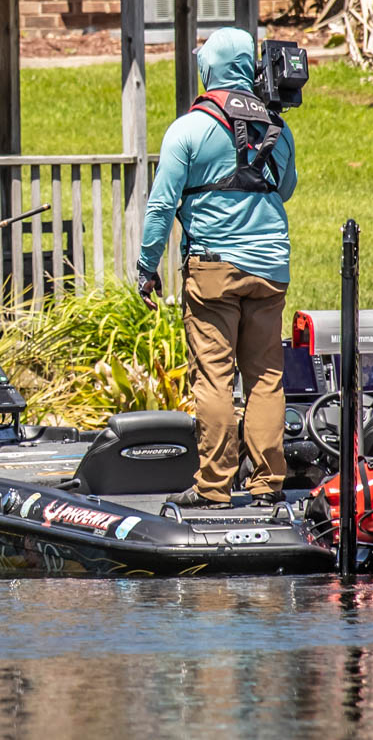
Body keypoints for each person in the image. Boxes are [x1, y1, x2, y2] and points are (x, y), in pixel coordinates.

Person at [137, 27, 298, 509]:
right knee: (265, 378)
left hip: (213, 270)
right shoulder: (278, 128)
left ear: (209, 69)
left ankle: (213, 488)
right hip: (270, 268)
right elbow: (285, 188)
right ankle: (267, 484)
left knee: (214, 378)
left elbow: (161, 206)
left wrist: (147, 266)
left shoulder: (188, 129)